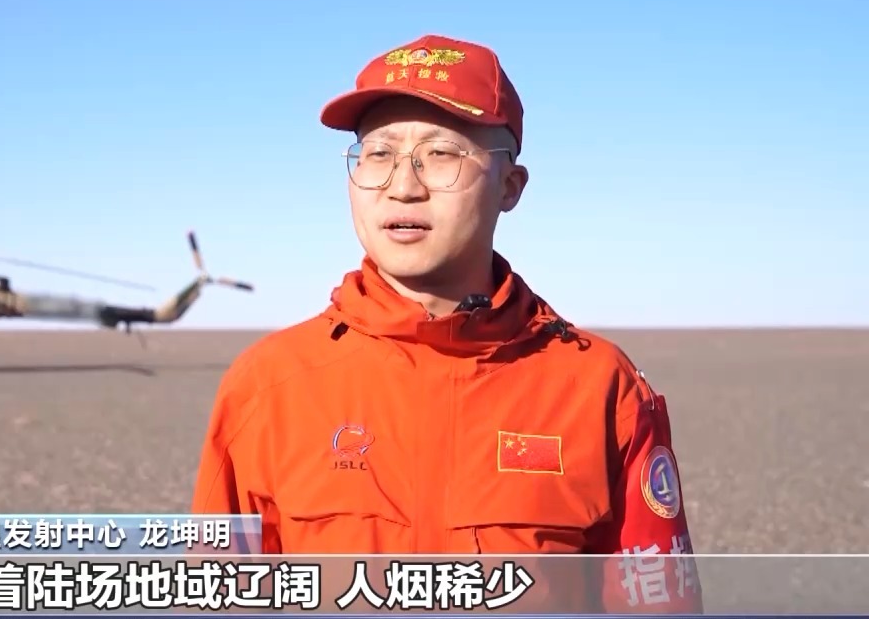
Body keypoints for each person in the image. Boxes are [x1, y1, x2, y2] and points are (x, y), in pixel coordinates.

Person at [191, 34, 701, 613]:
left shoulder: (599, 389)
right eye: (378, 154)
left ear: (509, 186)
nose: (402, 186)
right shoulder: (268, 386)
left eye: (441, 154)